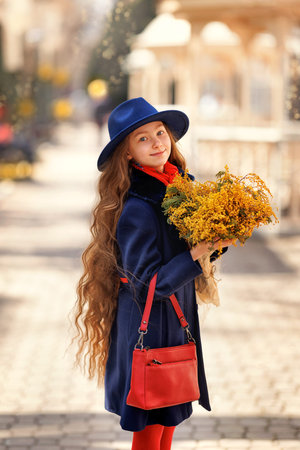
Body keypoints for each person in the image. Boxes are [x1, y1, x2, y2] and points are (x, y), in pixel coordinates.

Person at [74, 97, 234, 449]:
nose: (157, 142)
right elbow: (147, 285)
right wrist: (195, 253)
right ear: (127, 153)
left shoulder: (177, 190)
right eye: (142, 138)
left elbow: (187, 252)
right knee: (150, 433)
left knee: (167, 427)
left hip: (174, 323)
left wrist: (217, 238)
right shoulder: (138, 207)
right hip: (150, 330)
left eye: (160, 132)